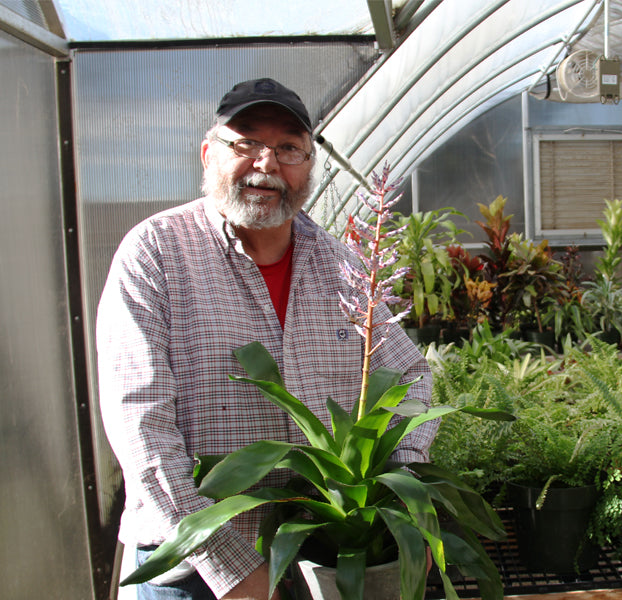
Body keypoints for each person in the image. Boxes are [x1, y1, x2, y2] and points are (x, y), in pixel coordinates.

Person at [96, 78, 436, 600]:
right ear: (209, 153)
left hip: (313, 560)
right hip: (189, 567)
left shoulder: (341, 266)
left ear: (308, 167)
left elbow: (410, 373)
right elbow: (140, 425)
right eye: (246, 142)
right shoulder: (155, 254)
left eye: (288, 148)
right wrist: (232, 570)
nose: (266, 162)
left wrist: (397, 485)